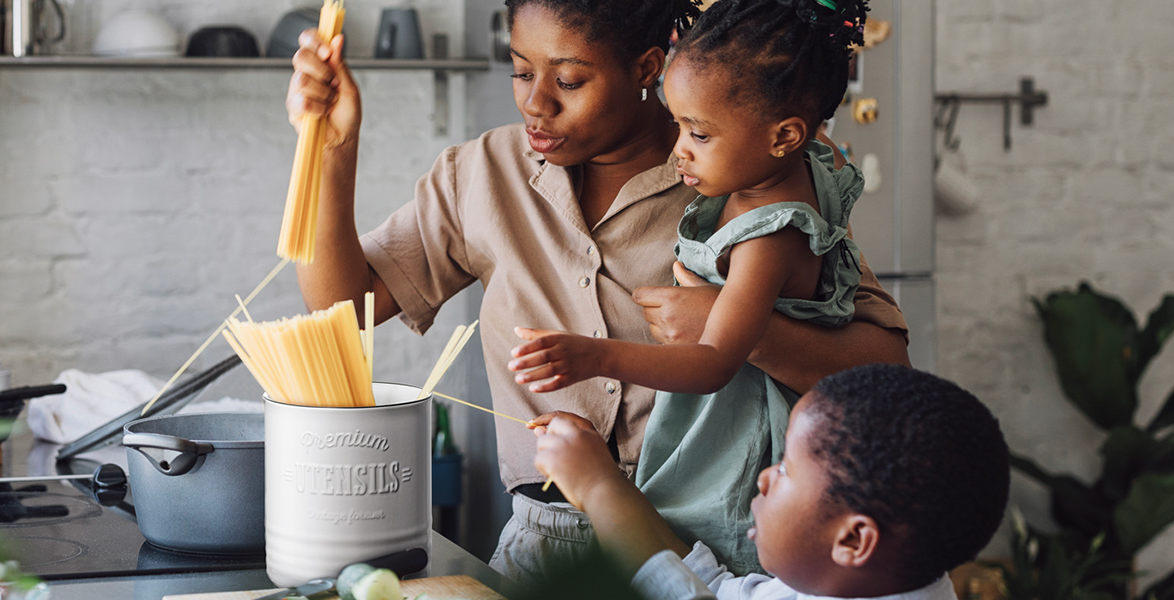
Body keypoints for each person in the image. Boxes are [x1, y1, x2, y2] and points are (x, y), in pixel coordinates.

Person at [285, 0, 910, 583]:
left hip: (715, 549)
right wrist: (332, 149)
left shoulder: (746, 170)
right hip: (545, 544)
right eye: (521, 71)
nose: (536, 104)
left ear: (646, 67)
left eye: (570, 81)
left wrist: (740, 330)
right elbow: (344, 307)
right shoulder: (481, 173)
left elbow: (887, 368)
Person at [507, 0, 877, 575]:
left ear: (784, 136)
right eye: (678, 124)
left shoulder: (769, 235)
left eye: (699, 133)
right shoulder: (799, 168)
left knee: (700, 567)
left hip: (738, 446)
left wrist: (594, 355)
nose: (677, 148)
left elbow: (711, 364)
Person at [530, 364, 1011, 600]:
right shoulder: (869, 580)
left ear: (853, 538)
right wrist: (602, 479)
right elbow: (705, 584)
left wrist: (596, 488)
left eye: (785, 471)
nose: (764, 477)